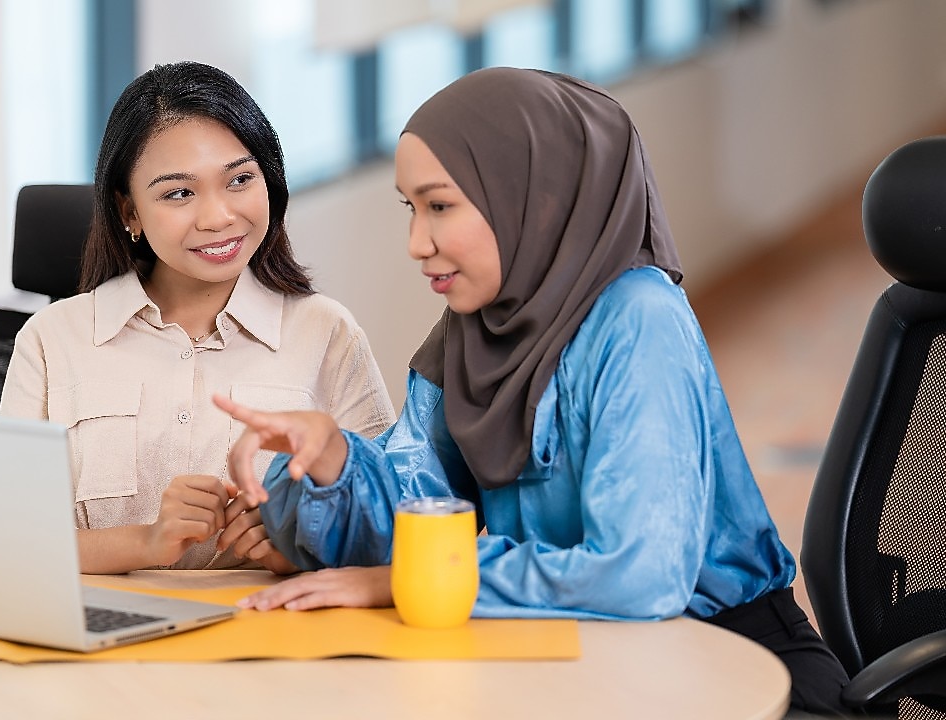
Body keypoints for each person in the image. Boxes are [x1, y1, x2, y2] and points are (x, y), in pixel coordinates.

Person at [215, 67, 850, 714]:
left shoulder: (639, 318)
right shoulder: (474, 329)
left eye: (440, 205)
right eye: (412, 207)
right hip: (583, 664)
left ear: (533, 196)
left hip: (731, 670)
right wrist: (332, 458)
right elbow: (418, 517)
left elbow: (640, 576)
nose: (417, 242)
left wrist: (412, 583)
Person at [0, 61, 395, 576]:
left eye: (240, 180)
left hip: (266, 634)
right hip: (95, 641)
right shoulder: (52, 340)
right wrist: (145, 542)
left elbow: (389, 526)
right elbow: (9, 539)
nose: (218, 217)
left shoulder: (327, 332)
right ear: (129, 212)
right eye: (178, 193)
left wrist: (295, 550)